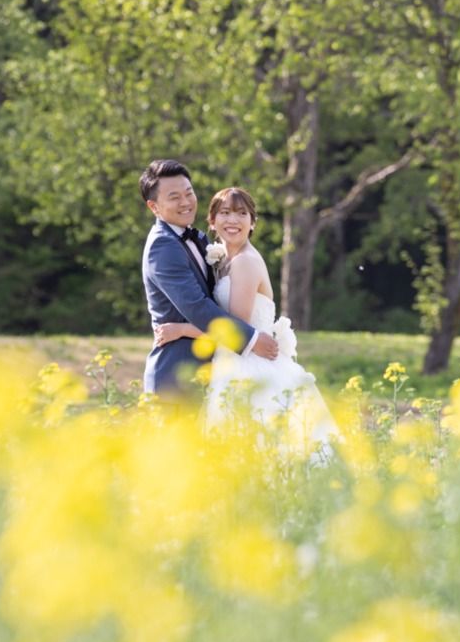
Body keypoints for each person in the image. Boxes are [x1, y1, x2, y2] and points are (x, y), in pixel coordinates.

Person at [155, 187, 336, 461]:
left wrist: (180, 330)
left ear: (252, 222)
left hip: (251, 364)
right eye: (225, 213)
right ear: (212, 221)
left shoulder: (245, 263)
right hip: (235, 362)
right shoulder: (225, 259)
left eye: (242, 213)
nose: (233, 220)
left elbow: (234, 328)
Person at [140, 160, 279, 395]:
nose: (185, 202)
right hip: (177, 378)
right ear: (154, 207)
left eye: (189, 193)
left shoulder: (200, 239)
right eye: (174, 197)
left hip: (215, 373)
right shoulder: (163, 246)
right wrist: (253, 339)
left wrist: (182, 329)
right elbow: (197, 307)